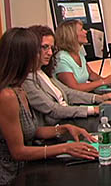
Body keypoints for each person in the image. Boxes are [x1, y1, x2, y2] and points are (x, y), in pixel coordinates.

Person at [0, 28, 98, 185]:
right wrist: (65, 149)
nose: (47, 54)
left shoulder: (19, 88)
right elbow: (18, 151)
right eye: (39, 51)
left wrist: (63, 128)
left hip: (29, 168)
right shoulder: (7, 96)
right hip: (13, 176)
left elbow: (30, 131)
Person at [22, 25, 111, 126]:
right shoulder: (28, 78)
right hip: (59, 124)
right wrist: (93, 109)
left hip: (68, 117)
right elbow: (53, 109)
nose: (50, 53)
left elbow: (68, 93)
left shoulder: (43, 72)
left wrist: (100, 98)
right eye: (45, 47)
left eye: (51, 48)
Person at [54, 19, 111, 92]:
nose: (85, 31)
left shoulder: (79, 53)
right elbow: (75, 88)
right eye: (81, 30)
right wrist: (103, 82)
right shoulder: (61, 58)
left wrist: (108, 80)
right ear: (71, 35)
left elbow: (90, 74)